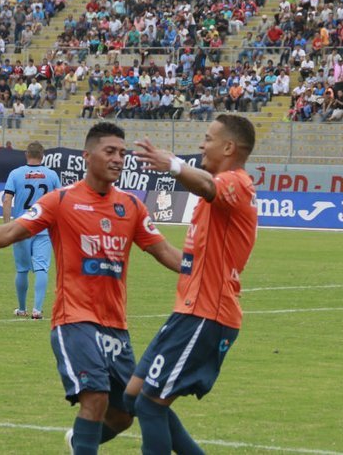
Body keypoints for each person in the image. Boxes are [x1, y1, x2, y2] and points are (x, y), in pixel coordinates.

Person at [0, 123, 183, 453]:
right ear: (88, 156)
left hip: (116, 326)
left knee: (124, 414)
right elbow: (13, 230)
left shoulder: (131, 206)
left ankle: (79, 442)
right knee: (96, 398)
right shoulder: (62, 200)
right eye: (110, 151)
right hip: (75, 320)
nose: (118, 159)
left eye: (122, 154)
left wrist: (207, 274)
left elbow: (166, 252)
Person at [123, 114, 258, 455]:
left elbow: (207, 186)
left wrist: (173, 164)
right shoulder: (217, 198)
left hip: (207, 314)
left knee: (150, 405)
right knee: (135, 395)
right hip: (188, 311)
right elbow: (193, 260)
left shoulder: (237, 182)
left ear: (229, 147)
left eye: (208, 138)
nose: (202, 144)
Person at [2, 142, 61, 319]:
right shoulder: (51, 175)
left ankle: (21, 309)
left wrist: (7, 226)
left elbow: (7, 200)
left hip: (22, 226)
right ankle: (37, 309)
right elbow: (61, 200)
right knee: (41, 268)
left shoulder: (15, 174)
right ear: (43, 155)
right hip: (43, 227)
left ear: (26, 154)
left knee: (22, 270)